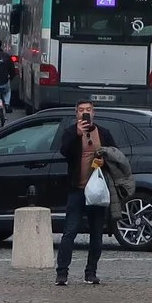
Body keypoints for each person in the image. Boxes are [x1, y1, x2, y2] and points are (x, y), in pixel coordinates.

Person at [56, 101, 114, 286]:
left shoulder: (103, 133)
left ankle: (91, 272)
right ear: (76, 114)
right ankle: (62, 273)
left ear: (94, 113)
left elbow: (115, 154)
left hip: (96, 192)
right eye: (81, 110)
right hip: (77, 190)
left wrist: (105, 161)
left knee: (96, 234)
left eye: (88, 110)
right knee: (70, 231)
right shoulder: (70, 132)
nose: (85, 113)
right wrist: (77, 134)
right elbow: (64, 151)